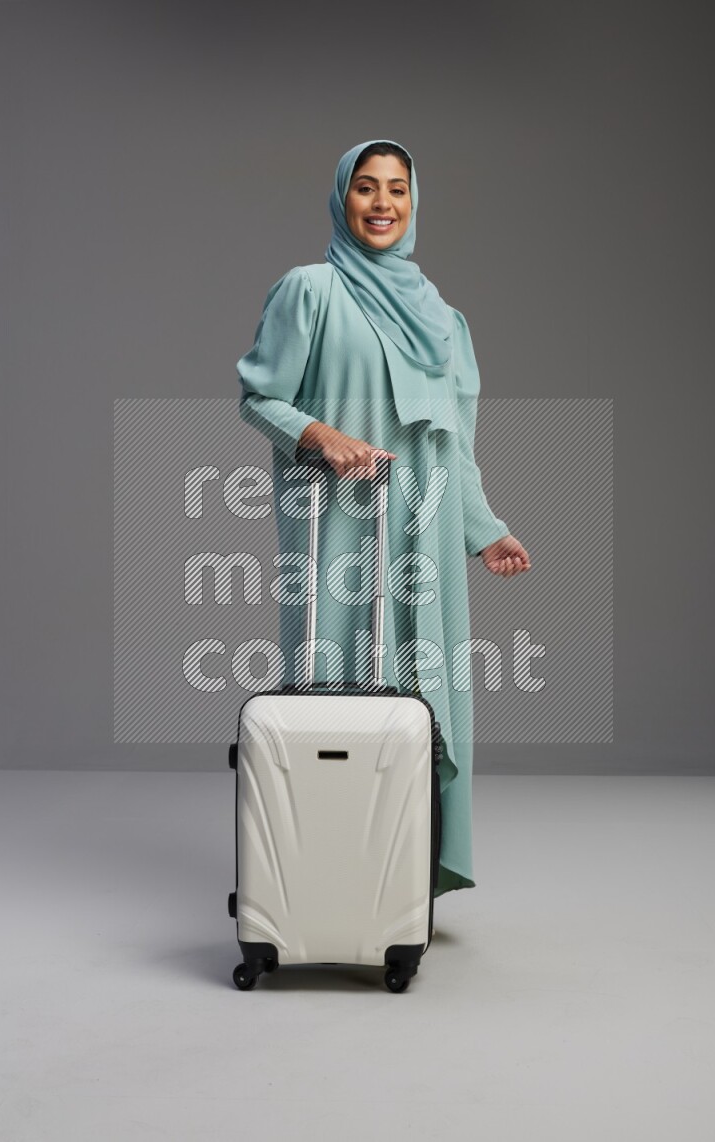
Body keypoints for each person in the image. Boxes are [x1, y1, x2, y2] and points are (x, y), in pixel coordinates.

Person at [236, 139, 531, 899]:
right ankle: (321, 880)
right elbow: (257, 398)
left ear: (413, 202)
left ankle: (401, 881)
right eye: (365, 188)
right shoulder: (310, 291)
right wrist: (321, 436)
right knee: (330, 686)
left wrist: (485, 527)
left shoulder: (445, 323)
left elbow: (456, 446)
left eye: (396, 189)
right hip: (337, 523)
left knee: (420, 695)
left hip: (424, 533)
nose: (381, 203)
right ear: (342, 199)